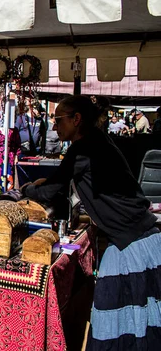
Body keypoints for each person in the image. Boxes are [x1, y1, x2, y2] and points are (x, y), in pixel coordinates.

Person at [21, 95, 160, 350]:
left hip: (132, 244)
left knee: (130, 323)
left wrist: (27, 189)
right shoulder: (98, 141)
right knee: (136, 321)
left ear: (76, 119)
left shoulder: (83, 149)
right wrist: (46, 185)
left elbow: (52, 190)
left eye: (59, 120)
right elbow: (60, 182)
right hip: (136, 237)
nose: (54, 127)